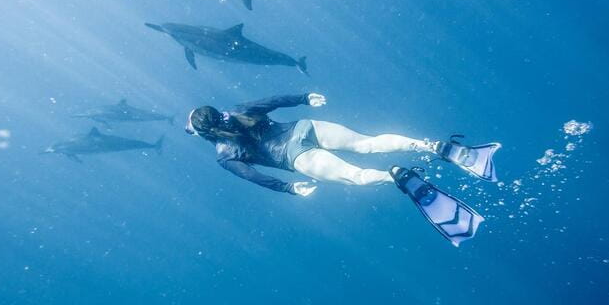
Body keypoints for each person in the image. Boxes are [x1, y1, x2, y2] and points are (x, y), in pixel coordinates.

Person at [185, 93, 445, 196]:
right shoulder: (239, 110)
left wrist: (288, 188)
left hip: (297, 157)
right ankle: (426, 146)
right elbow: (273, 101)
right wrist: (305, 97)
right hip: (305, 127)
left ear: (203, 133)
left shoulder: (224, 155)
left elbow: (253, 176)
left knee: (357, 176)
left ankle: (396, 177)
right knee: (368, 143)